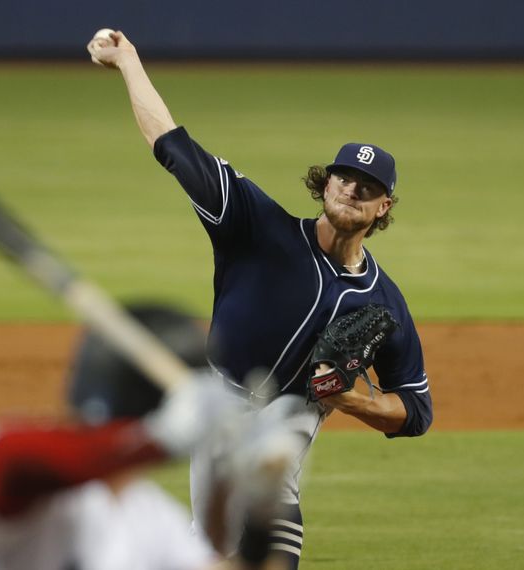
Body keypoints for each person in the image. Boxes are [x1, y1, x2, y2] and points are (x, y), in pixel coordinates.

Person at [88, 31, 434, 569]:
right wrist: (129, 61)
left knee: (272, 534)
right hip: (215, 407)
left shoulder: (384, 303)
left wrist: (347, 398)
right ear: (325, 186)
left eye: (367, 187)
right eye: (344, 178)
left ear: (382, 206)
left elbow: (413, 411)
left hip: (291, 418)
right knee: (215, 548)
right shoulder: (256, 226)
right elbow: (174, 145)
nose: (351, 190)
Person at [0, 304, 306, 570]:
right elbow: (13, 458)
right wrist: (159, 440)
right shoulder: (6, 456)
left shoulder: (148, 518)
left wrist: (259, 515)